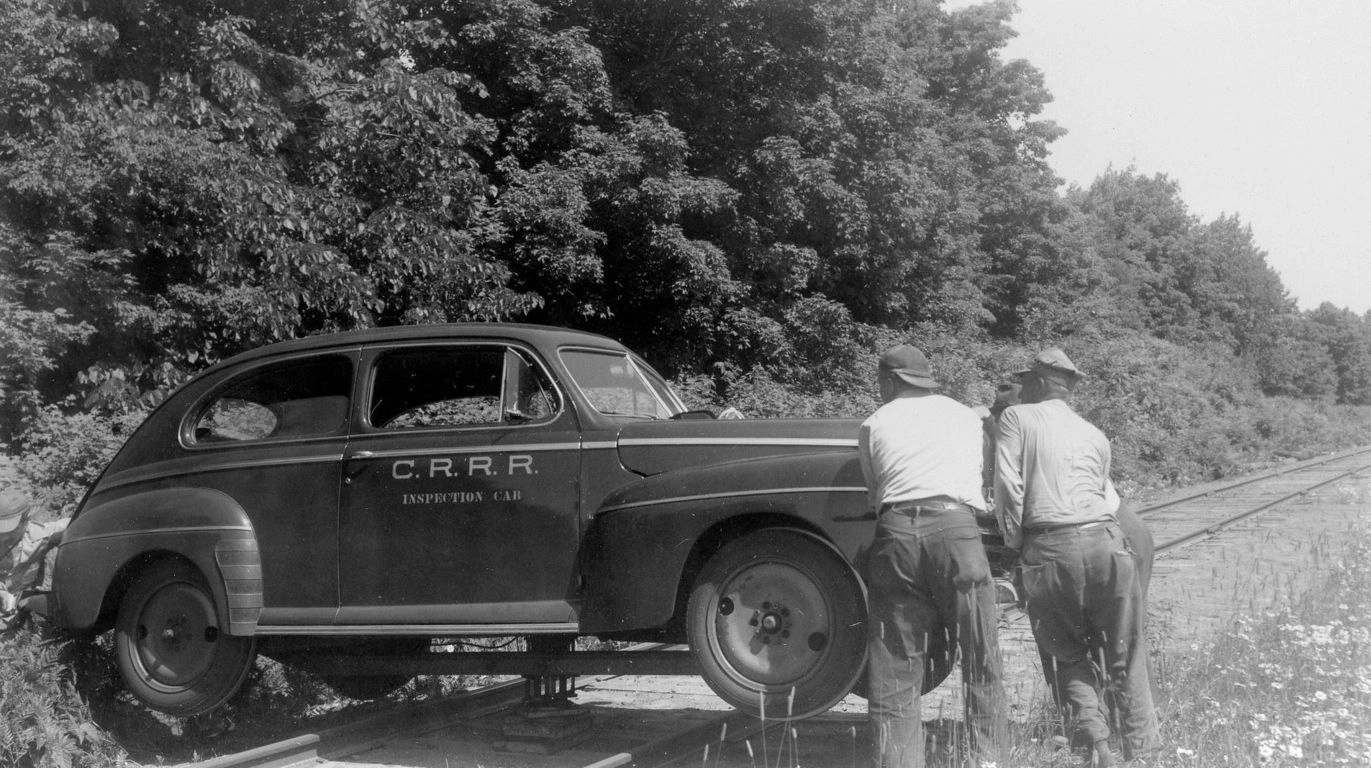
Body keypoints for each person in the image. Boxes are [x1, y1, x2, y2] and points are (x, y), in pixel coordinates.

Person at [993, 348, 1159, 767]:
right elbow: (1106, 497)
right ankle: (1144, 753)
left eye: (1030, 378)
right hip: (1109, 542)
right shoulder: (1094, 434)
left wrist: (1014, 543)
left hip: (1051, 546)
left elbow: (1008, 485)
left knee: (1064, 651)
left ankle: (1095, 747)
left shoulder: (1017, 418)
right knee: (1125, 652)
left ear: (1043, 381)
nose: (1026, 385)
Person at [859, 344, 1009, 768]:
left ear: (889, 381)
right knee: (981, 654)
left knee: (895, 665)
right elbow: (977, 472)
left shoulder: (873, 423)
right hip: (957, 532)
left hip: (898, 533)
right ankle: (988, 759)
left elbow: (876, 497)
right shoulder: (964, 414)